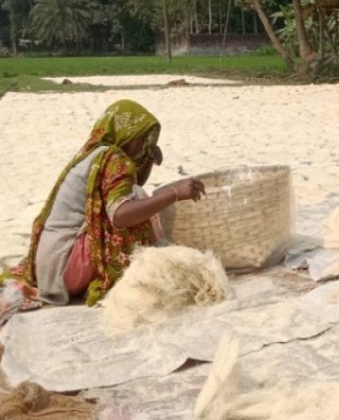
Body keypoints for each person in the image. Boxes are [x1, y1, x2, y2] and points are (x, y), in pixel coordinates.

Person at [4, 100, 205, 308]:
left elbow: (127, 184)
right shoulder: (114, 158)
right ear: (127, 133)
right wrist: (173, 193)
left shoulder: (96, 153)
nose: (143, 142)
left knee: (137, 196)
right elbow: (121, 214)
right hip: (66, 267)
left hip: (50, 266)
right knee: (139, 205)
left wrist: (146, 159)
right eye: (141, 137)